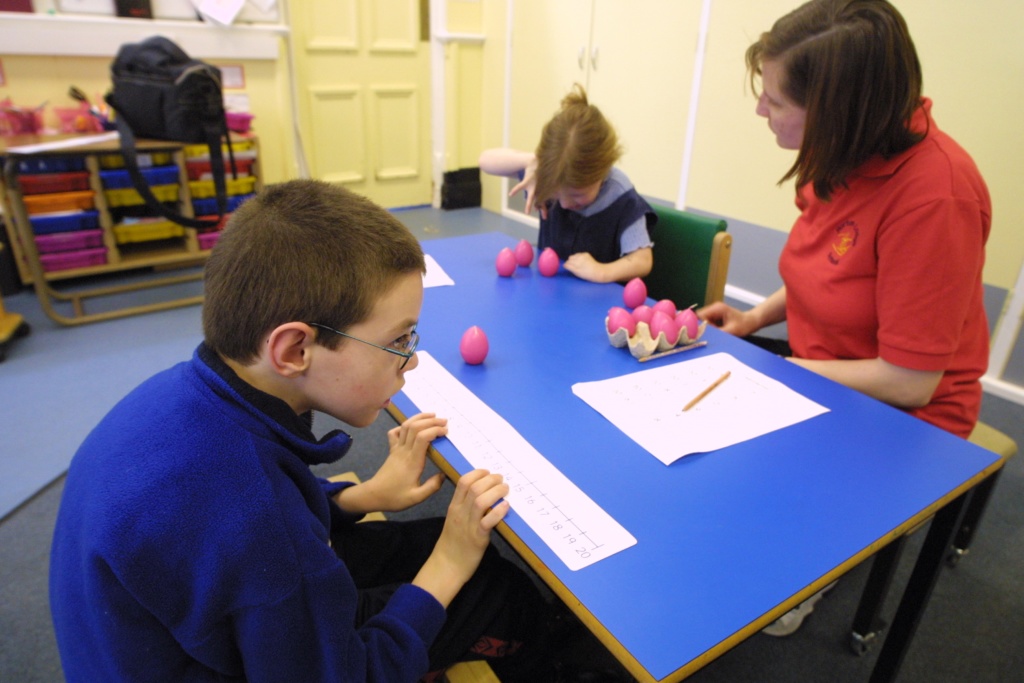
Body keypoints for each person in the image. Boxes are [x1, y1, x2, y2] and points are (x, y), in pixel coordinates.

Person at [48, 179, 594, 682]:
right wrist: (448, 564)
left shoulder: (186, 396)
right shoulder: (253, 509)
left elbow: (251, 533)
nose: (412, 363)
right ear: (294, 349)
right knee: (497, 590)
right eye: (399, 341)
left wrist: (362, 496)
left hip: (164, 643)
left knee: (428, 543)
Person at [698, 0, 991, 636]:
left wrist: (783, 371)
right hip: (824, 373)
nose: (760, 112)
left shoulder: (936, 197)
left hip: (908, 416)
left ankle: (819, 562)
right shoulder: (846, 152)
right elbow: (820, 275)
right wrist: (752, 322)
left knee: (749, 577)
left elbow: (913, 383)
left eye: (775, 102)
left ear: (837, 110)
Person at [480, 84, 655, 284]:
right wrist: (535, 161)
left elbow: (642, 261)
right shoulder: (550, 174)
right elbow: (486, 160)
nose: (563, 204)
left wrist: (602, 271)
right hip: (550, 293)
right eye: (556, 195)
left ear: (602, 171)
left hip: (599, 303)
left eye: (577, 195)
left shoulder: (622, 198)